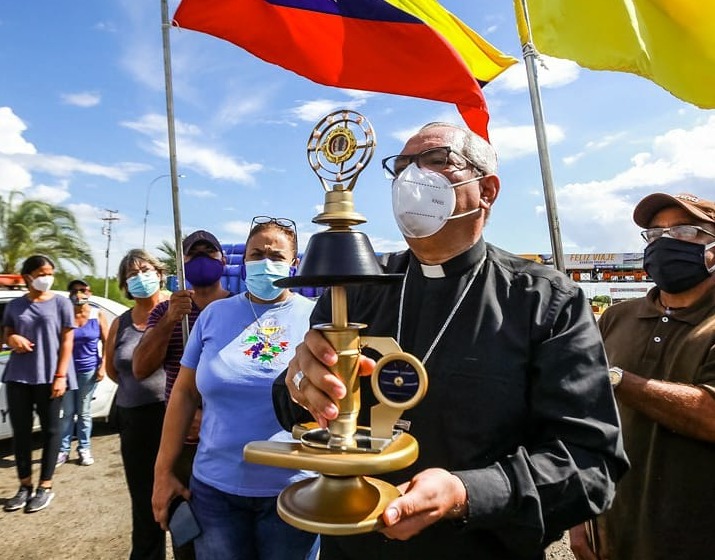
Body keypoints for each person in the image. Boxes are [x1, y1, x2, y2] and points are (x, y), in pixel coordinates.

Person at [273, 123, 629, 560]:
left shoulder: (545, 301)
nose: (411, 179)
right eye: (400, 167)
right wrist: (299, 384)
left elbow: (590, 463)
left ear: (488, 190)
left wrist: (467, 491)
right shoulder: (357, 286)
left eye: (437, 161)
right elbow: (294, 404)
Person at [152, 216, 318, 560]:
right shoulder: (214, 316)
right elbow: (183, 394)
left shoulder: (318, 318)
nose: (265, 263)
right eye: (256, 254)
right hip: (215, 493)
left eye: (276, 256)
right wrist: (163, 471)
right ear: (243, 261)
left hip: (295, 491)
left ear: (295, 264)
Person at [569, 192, 715, 560]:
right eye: (654, 234)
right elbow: (584, 419)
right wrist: (579, 514)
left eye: (684, 231)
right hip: (617, 534)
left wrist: (616, 379)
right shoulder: (618, 317)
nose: (664, 242)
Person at [134, 230, 231, 560]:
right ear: (182, 263)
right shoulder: (165, 312)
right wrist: (169, 321)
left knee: (229, 537)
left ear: (224, 261)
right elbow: (140, 368)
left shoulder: (240, 308)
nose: (203, 259)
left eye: (210, 252)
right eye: (194, 254)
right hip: (183, 447)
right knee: (187, 537)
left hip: (230, 444)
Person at [106, 249, 168, 560]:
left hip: (172, 417)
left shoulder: (176, 312)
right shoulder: (121, 323)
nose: (139, 277)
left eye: (145, 270)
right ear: (124, 284)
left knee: (181, 496)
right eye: (131, 274)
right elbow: (112, 369)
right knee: (143, 503)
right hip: (133, 422)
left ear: (159, 273)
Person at [2, 255, 75, 513]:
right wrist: (13, 340)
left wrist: (61, 375)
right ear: (28, 276)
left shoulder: (62, 304)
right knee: (21, 433)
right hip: (18, 377)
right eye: (42, 272)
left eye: (50, 272)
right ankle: (24, 486)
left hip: (50, 377)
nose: (47, 277)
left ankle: (45, 487)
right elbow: (7, 333)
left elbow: (67, 341)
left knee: (51, 432)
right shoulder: (14, 306)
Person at [57, 279, 108, 467]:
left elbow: (107, 342)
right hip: (68, 372)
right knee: (68, 412)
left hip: (89, 371)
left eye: (82, 290)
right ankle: (63, 450)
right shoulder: (65, 315)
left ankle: (84, 449)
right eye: (74, 290)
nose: (78, 294)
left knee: (84, 412)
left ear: (89, 292)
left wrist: (103, 366)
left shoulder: (97, 314)